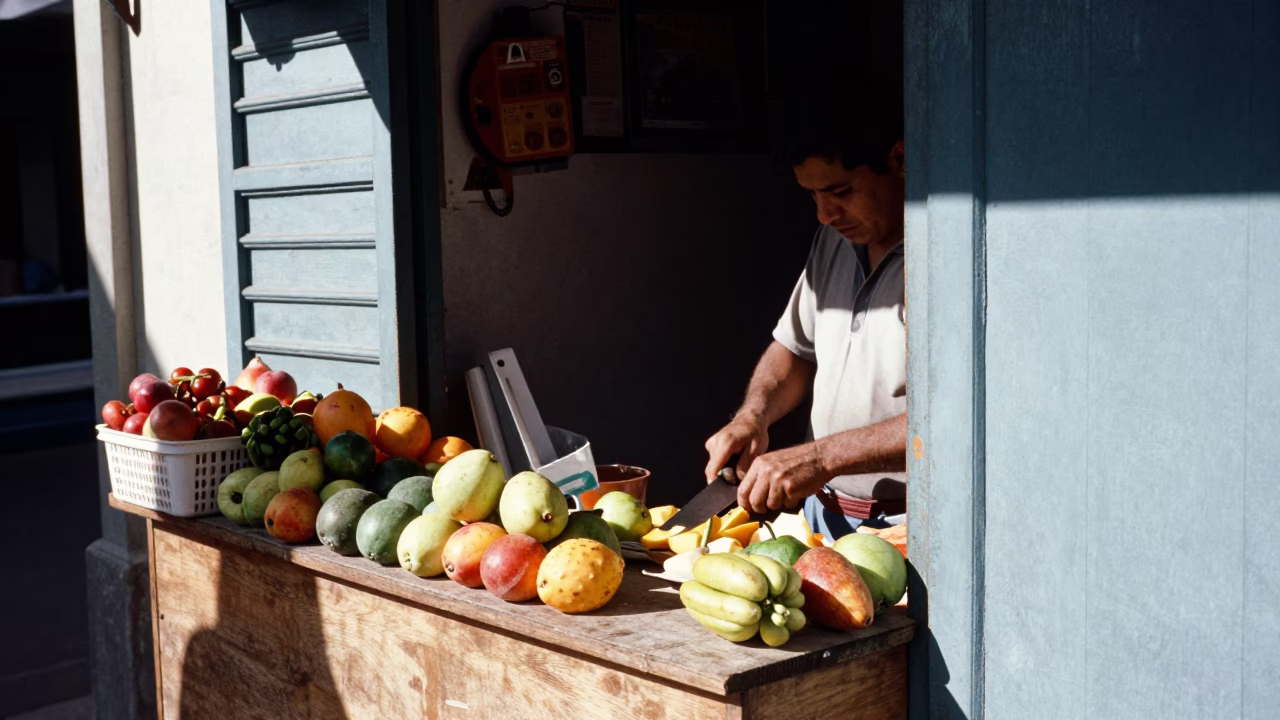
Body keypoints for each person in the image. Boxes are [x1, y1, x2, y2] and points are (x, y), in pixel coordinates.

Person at [703, 75, 907, 541]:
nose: (824, 215)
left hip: (905, 526)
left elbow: (953, 420)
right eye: (812, 196)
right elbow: (793, 350)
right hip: (824, 517)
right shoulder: (833, 242)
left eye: (839, 192)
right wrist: (752, 416)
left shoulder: (946, 259)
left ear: (897, 159)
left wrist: (819, 458)